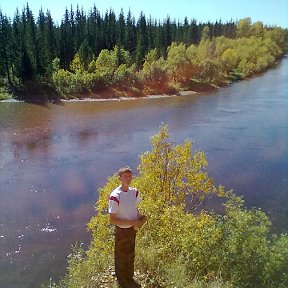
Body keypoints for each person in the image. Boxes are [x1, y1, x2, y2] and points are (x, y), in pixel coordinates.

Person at [108, 166, 147, 288]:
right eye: (125, 176)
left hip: (132, 230)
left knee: (130, 253)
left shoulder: (134, 192)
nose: (128, 178)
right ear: (119, 178)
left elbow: (134, 208)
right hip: (121, 231)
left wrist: (141, 218)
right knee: (121, 255)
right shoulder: (115, 196)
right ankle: (123, 282)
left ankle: (129, 277)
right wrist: (132, 222)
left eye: (130, 176)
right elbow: (112, 219)